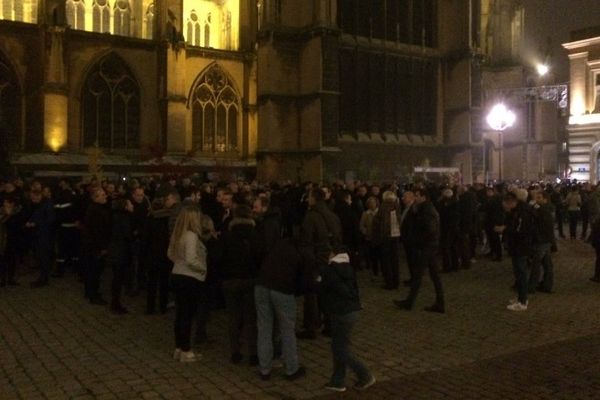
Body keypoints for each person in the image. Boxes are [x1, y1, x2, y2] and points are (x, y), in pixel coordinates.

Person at [318, 248, 375, 393]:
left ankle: (365, 374)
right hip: (351, 310)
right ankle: (337, 380)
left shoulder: (330, 271)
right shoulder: (348, 268)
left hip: (340, 312)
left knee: (340, 349)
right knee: (339, 345)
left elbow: (322, 289)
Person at [254, 236, 305, 381]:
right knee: (287, 329)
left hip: (262, 285)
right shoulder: (296, 254)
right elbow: (300, 281)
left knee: (264, 327)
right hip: (282, 289)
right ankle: (291, 368)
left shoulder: (273, 250)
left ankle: (264, 369)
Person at [216, 205, 260, 365]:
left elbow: (219, 258)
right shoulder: (256, 236)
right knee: (251, 319)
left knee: (233, 317)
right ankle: (253, 353)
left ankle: (235, 351)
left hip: (230, 280)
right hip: (250, 280)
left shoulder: (227, 236)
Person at [298, 188, 342, 340]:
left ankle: (310, 327)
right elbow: (338, 237)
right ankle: (329, 324)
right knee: (327, 293)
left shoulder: (310, 217)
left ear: (313, 199)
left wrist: (309, 260)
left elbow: (306, 241)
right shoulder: (332, 215)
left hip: (316, 260)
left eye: (309, 197)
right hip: (330, 258)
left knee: (311, 294)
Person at [395, 188, 445, 313]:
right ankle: (439, 303)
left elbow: (429, 230)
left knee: (418, 275)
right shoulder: (424, 209)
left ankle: (409, 302)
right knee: (434, 276)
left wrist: (418, 242)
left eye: (417, 196)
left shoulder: (427, 210)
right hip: (429, 245)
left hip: (427, 246)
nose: (415, 198)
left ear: (423, 197)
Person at [168, 207, 208, 363]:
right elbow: (191, 258)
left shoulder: (178, 234)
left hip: (177, 274)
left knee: (180, 314)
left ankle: (179, 347)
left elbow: (170, 253)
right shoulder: (191, 236)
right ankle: (186, 349)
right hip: (189, 278)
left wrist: (179, 262)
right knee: (187, 314)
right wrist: (202, 267)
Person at [499, 191, 534, 311]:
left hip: (521, 246)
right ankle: (521, 297)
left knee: (521, 273)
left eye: (505, 205)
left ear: (511, 203)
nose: (504, 207)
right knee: (519, 273)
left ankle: (522, 301)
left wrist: (505, 229)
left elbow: (520, 230)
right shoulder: (518, 211)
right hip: (518, 246)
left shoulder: (521, 212)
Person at [145, 195, 176, 315]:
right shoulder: (168, 219)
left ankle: (150, 307)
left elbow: (146, 238)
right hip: (165, 254)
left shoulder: (150, 219)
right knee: (164, 282)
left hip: (152, 254)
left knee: (152, 282)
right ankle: (163, 306)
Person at [81, 187, 111, 304]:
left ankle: (89, 291)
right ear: (95, 198)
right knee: (95, 271)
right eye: (102, 195)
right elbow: (98, 231)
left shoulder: (94, 209)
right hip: (95, 247)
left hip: (91, 245)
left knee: (92, 270)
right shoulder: (96, 211)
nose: (105, 196)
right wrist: (102, 248)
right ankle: (93, 295)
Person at [107, 198, 134, 314]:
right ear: (125, 206)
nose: (132, 205)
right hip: (120, 251)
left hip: (116, 250)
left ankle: (115, 302)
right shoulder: (124, 218)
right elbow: (127, 235)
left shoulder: (115, 216)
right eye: (130, 204)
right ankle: (115, 303)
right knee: (118, 278)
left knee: (117, 278)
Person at [371, 191, 402, 290]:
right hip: (395, 235)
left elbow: (379, 222)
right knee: (395, 260)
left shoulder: (383, 206)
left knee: (386, 261)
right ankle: (396, 281)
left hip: (385, 236)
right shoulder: (397, 205)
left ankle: (389, 282)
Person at [26, 190, 56, 288]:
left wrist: (36, 223)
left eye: (33, 198)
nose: (32, 200)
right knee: (40, 256)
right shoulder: (39, 204)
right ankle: (43, 277)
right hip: (38, 234)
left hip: (44, 236)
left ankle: (44, 278)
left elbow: (50, 220)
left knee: (43, 257)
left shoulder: (47, 204)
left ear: (38, 196)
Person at [528, 191, 555, 294]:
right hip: (546, 240)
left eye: (539, 198)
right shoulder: (547, 209)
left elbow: (539, 224)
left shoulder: (543, 210)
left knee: (536, 264)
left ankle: (532, 286)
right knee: (547, 264)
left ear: (545, 199)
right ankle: (547, 285)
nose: (537, 200)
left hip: (541, 240)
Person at [438, 189, 460, 273]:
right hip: (454, 228)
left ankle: (447, 266)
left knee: (446, 247)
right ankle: (455, 265)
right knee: (454, 247)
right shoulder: (456, 203)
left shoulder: (445, 204)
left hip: (447, 228)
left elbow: (442, 214)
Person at [359, 196, 380, 277]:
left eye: (373, 202)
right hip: (369, 237)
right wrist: (365, 232)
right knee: (372, 254)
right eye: (370, 203)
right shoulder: (365, 213)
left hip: (378, 237)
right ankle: (375, 270)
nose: (372, 204)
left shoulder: (379, 212)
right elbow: (361, 225)